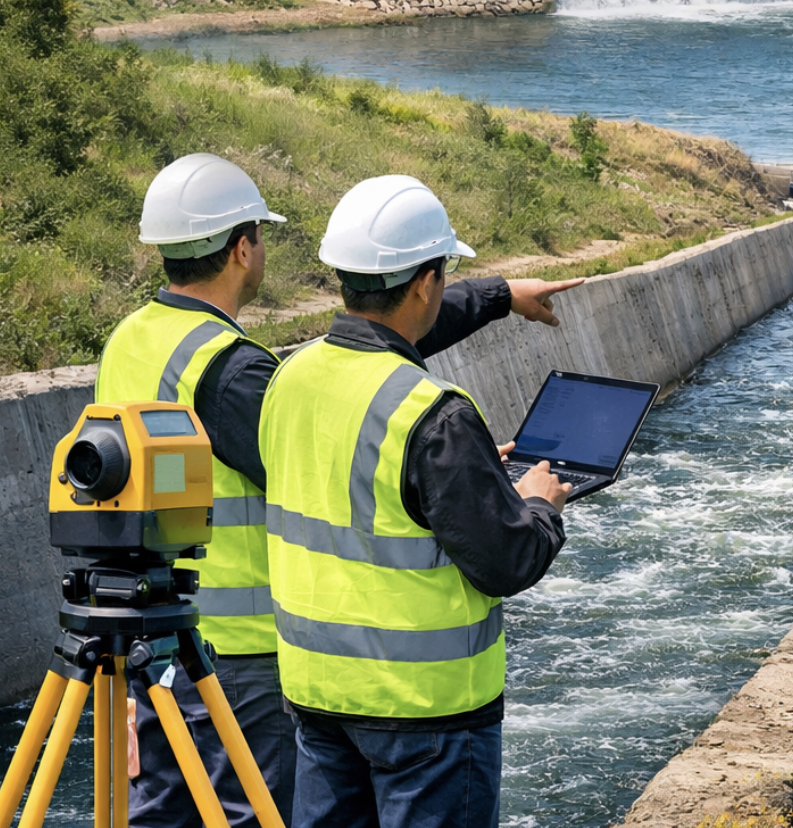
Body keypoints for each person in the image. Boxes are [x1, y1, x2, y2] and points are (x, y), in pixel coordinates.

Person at [96, 154, 581, 828]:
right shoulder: (232, 370)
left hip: (177, 632)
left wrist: (450, 472)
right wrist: (505, 493)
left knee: (165, 813)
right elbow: (494, 551)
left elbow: (360, 358)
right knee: (247, 813)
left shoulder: (144, 342)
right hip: (255, 656)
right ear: (243, 247)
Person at [259, 175, 570, 828]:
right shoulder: (435, 416)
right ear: (427, 281)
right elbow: (507, 560)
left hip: (318, 697)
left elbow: (360, 498)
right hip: (427, 715)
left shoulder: (288, 377)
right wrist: (538, 504)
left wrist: (469, 485)